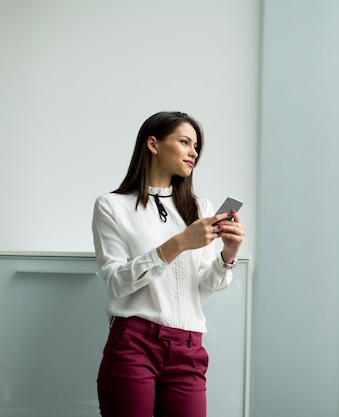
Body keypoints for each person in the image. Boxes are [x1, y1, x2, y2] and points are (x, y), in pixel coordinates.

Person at [92, 111, 245, 417]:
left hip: (188, 347)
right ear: (153, 144)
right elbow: (117, 282)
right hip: (134, 343)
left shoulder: (201, 208)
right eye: (185, 142)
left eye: (196, 147)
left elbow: (204, 286)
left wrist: (228, 254)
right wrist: (178, 243)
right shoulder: (112, 206)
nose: (194, 153)